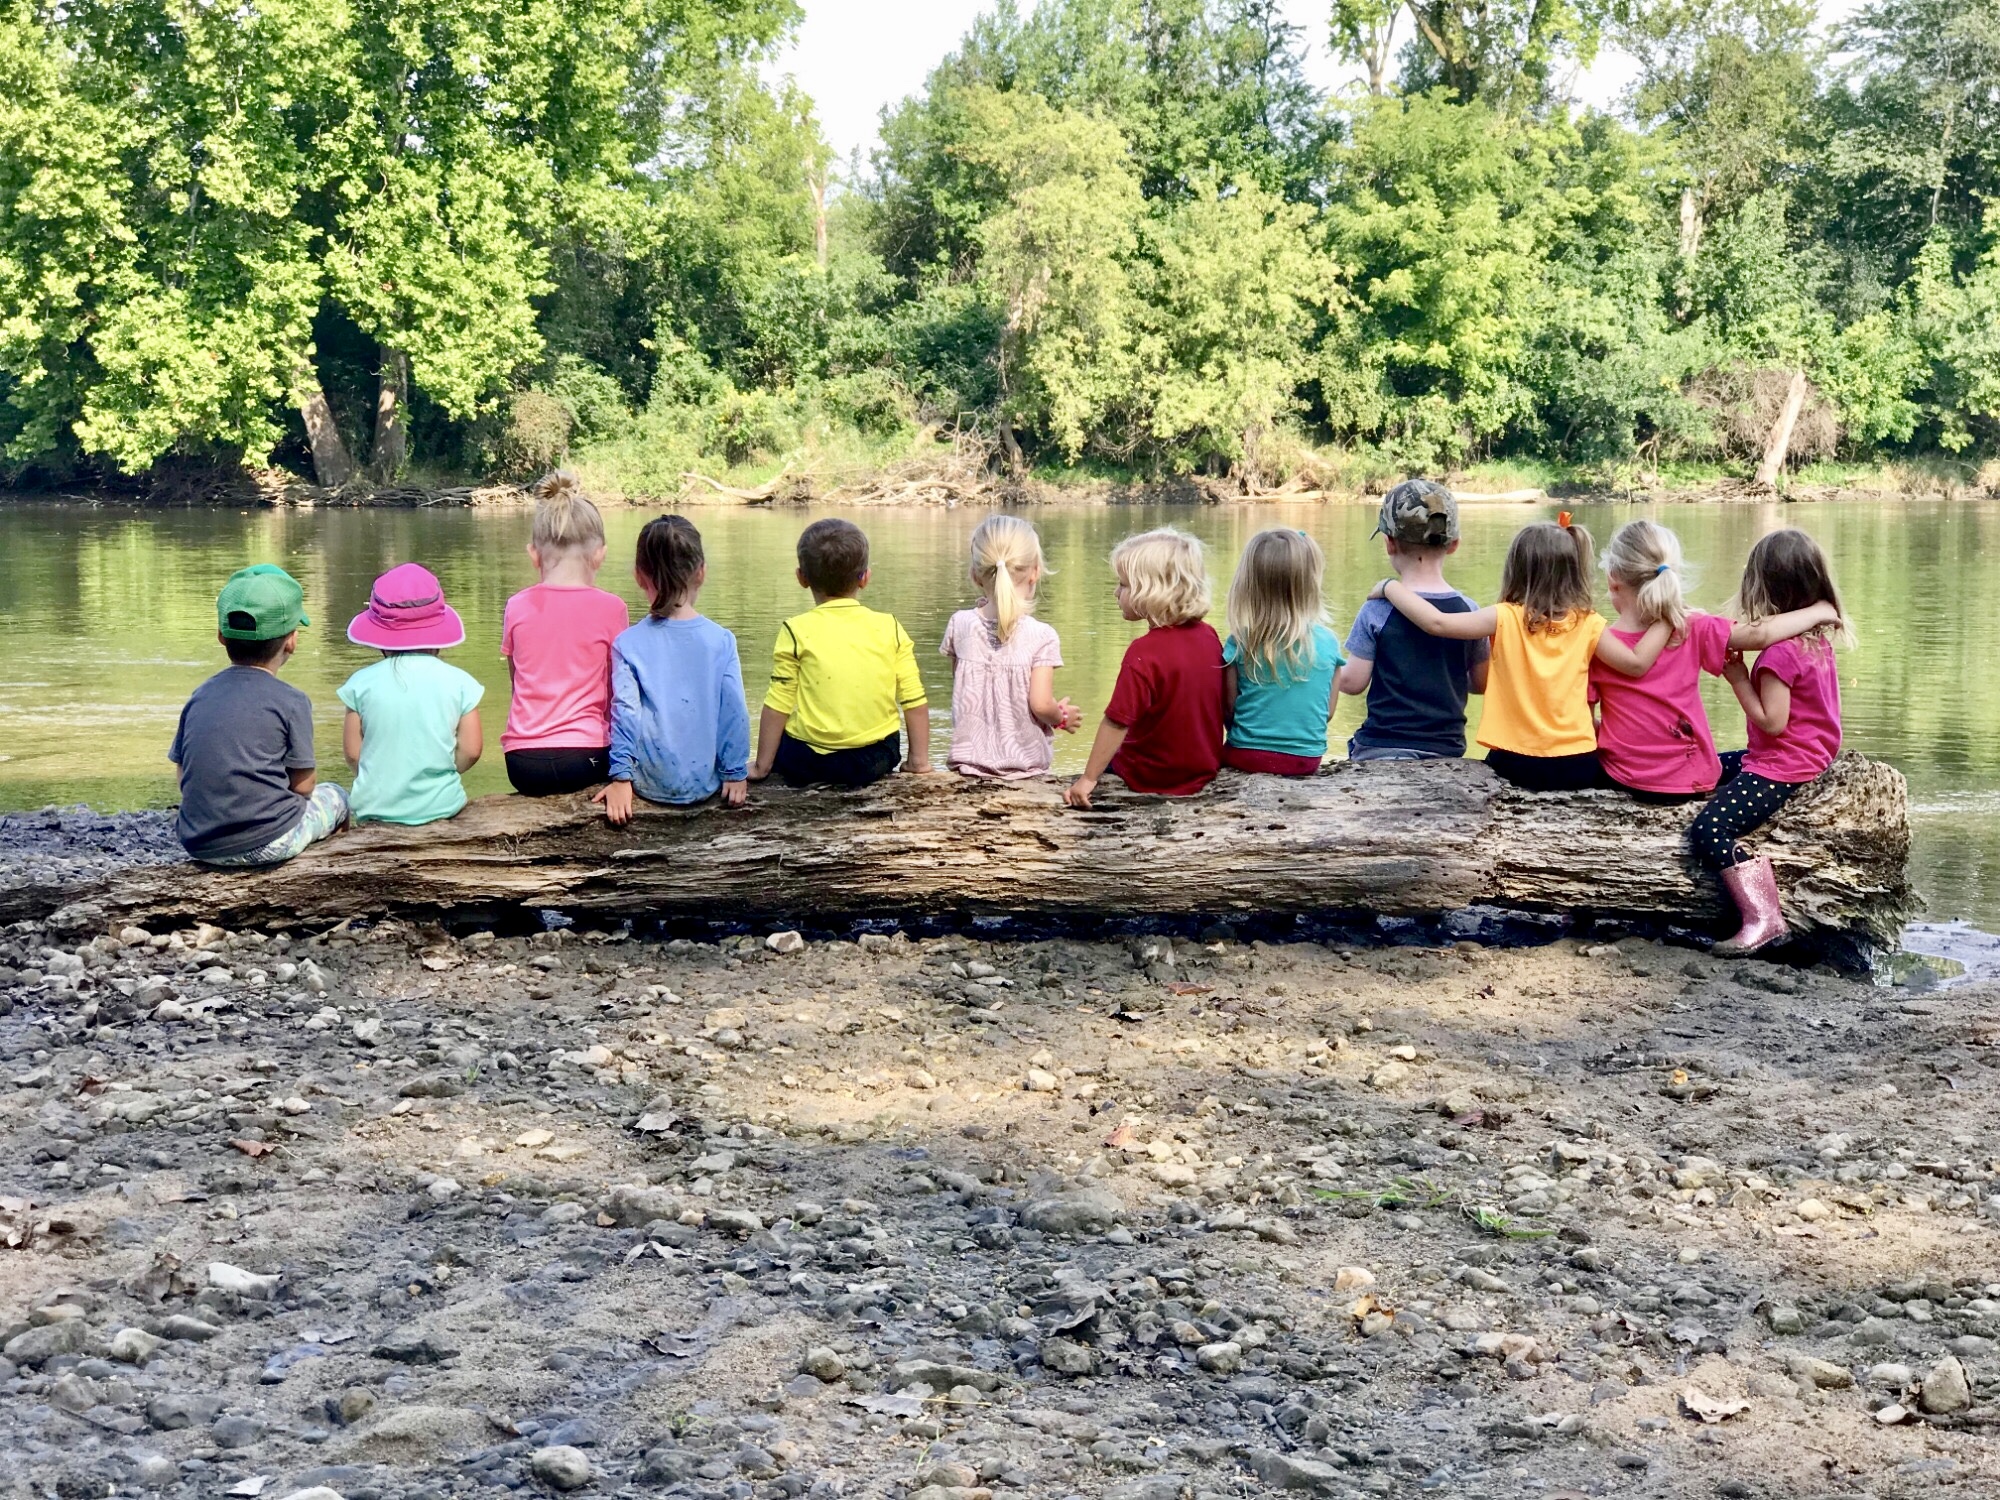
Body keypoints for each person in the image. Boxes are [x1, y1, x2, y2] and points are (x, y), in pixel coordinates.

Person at [1378, 516, 1671, 791]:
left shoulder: (1505, 617)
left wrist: (1390, 587)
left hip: (1514, 762)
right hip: (1577, 762)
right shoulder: (1589, 623)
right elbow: (1636, 664)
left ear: (1515, 570)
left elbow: (1436, 622)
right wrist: (1668, 619)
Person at [1591, 520, 1844, 801]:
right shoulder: (1692, 627)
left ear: (1613, 579)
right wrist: (1818, 611)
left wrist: (1617, 740)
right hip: (1693, 777)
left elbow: (1585, 723)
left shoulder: (1597, 644)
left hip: (1624, 775)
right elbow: (1760, 635)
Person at [1689, 528, 1853, 955]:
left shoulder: (1779, 654)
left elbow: (1772, 721)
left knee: (1709, 829)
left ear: (1762, 586)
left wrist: (1736, 675)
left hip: (1782, 764)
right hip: (1802, 755)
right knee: (1702, 764)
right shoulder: (1813, 639)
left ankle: (1764, 917)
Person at [169, 565, 348, 866]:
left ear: (221, 636)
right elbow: (304, 787)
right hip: (268, 843)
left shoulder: (200, 695)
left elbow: (182, 775)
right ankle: (332, 873)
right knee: (338, 796)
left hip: (198, 842)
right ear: (292, 640)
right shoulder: (292, 701)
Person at [748, 518, 931, 787]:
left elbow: (778, 704)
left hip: (809, 761)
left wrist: (762, 765)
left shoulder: (795, 630)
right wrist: (918, 761)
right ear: (865, 578)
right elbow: (913, 700)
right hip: (875, 759)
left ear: (801, 578)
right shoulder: (889, 627)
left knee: (791, 740)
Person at [595, 515, 751, 823]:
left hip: (648, 785)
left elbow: (625, 713)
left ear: (639, 576)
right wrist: (735, 772)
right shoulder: (721, 641)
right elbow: (734, 712)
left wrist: (621, 778)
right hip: (707, 782)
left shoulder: (628, 643)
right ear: (701, 573)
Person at [1065, 528, 1223, 807]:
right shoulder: (1209, 636)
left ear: (1151, 591)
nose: (1116, 592)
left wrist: (1088, 778)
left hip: (1150, 776)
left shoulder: (1143, 653)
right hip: (1202, 772)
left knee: (1110, 759)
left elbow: (1116, 722)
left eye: (1123, 585)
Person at [500, 471, 631, 796]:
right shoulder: (613, 609)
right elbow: (618, 692)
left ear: (534, 554)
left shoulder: (516, 606)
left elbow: (517, 683)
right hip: (585, 759)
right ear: (600, 554)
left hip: (521, 763)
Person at [1339, 482, 1490, 761]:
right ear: (1454, 544)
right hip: (1446, 748)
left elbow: (1352, 682)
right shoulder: (1470, 612)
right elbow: (1481, 683)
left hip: (1381, 747)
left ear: (1389, 543)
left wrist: (1321, 665)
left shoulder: (1377, 608)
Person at [339, 563, 485, 825]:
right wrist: (443, 769)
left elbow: (353, 754)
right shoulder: (461, 683)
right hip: (442, 806)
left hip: (375, 809)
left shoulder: (359, 684)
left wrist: (379, 777)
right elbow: (472, 750)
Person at [941, 515, 1081, 778]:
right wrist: (1061, 717)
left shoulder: (959, 624)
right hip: (1025, 769)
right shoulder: (1042, 635)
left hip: (968, 767)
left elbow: (962, 685)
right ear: (1035, 572)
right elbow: (1040, 705)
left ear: (975, 575)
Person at [1221, 528, 1342, 776]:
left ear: (1248, 585)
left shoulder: (1239, 641)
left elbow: (1229, 710)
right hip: (1306, 761)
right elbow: (1327, 713)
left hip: (1246, 756)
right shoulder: (1329, 642)